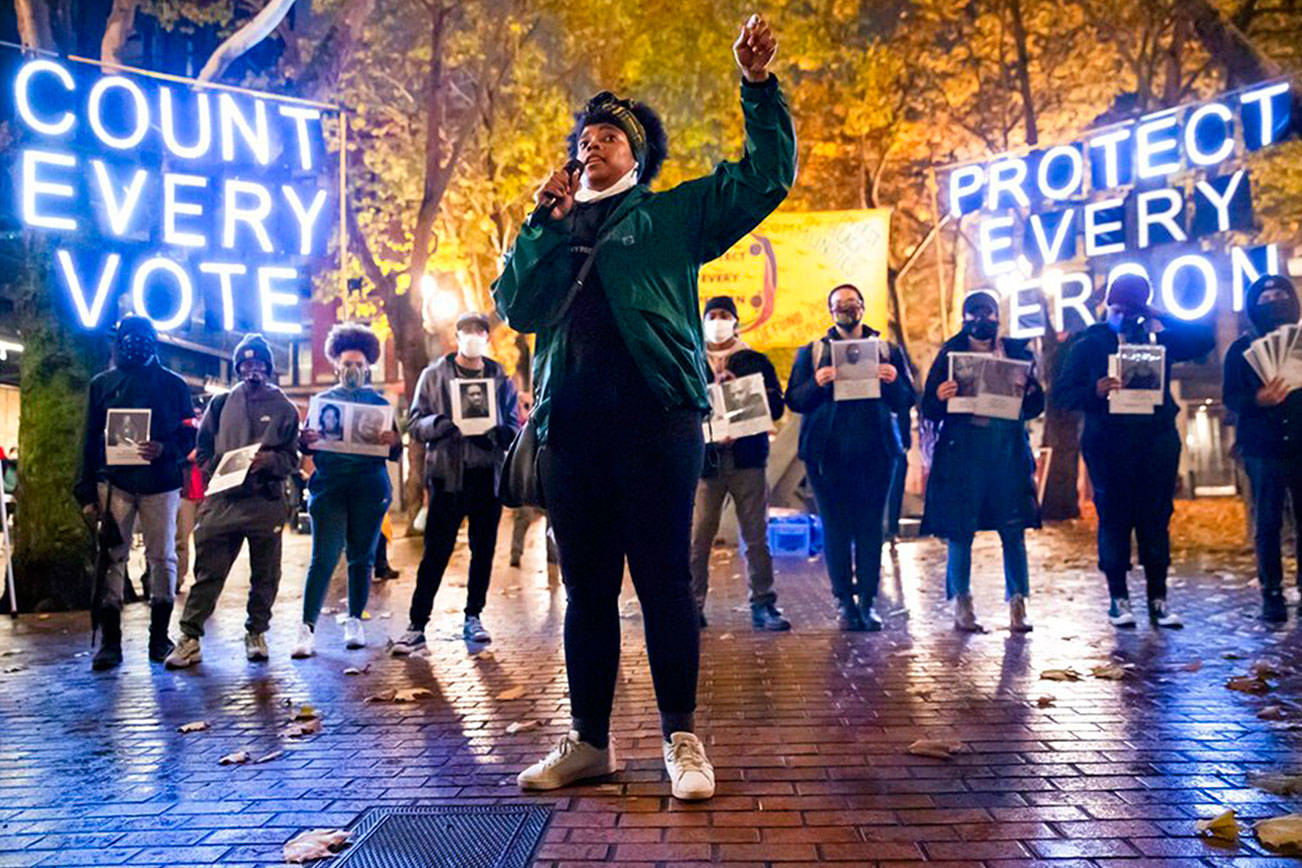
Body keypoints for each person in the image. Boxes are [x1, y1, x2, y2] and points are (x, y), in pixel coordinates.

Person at [494, 14, 793, 802]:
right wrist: (537, 226)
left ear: (637, 155)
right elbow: (517, 309)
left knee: (664, 581)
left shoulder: (669, 218)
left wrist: (757, 88)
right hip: (571, 434)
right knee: (587, 589)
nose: (592, 146)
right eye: (584, 137)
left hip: (658, 428)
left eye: (609, 138)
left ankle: (681, 739)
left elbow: (765, 178)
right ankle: (589, 742)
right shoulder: (551, 225)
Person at [1054, 273, 1215, 629]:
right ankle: (1118, 598)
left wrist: (1159, 316)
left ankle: (1158, 599)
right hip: (1109, 443)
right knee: (1114, 519)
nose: (1127, 315)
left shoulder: (1159, 338)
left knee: (1156, 519)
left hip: (1155, 441)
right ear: (1108, 305)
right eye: (1121, 307)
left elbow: (1204, 340)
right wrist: (1094, 391)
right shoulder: (1089, 343)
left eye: (1133, 308)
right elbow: (1063, 394)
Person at [165, 334, 300, 668]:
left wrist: (268, 462)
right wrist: (216, 474)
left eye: (259, 364)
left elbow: (292, 458)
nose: (253, 370)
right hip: (223, 502)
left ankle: (256, 632)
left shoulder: (284, 408)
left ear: (268, 368)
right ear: (238, 367)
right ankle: (190, 637)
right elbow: (204, 450)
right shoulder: (220, 404)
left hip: (265, 502)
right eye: (247, 364)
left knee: (266, 574)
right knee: (208, 573)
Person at [787, 284, 915, 631]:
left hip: (876, 455)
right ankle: (844, 601)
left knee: (871, 528)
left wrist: (891, 380)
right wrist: (816, 382)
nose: (847, 310)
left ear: (863, 306)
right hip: (827, 458)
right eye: (839, 305)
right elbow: (795, 400)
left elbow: (907, 398)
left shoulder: (887, 350)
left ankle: (868, 601)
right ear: (830, 311)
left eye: (852, 303)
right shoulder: (812, 352)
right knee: (836, 528)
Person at [390, 312, 520, 655]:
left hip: (486, 476)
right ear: (457, 335)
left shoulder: (499, 378)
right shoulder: (434, 376)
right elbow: (414, 423)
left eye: (480, 331)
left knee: (484, 551)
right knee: (436, 551)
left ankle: (473, 616)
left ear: (487, 338)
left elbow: (512, 424)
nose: (474, 336)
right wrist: (441, 425)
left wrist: (501, 433)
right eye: (467, 331)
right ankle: (417, 624)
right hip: (447, 476)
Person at [74, 315, 194, 670]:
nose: (136, 343)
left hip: (160, 482)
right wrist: (85, 493)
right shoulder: (102, 385)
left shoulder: (175, 385)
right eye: (129, 337)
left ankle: (159, 636)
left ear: (154, 340)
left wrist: (165, 450)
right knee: (112, 558)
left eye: (143, 337)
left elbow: (189, 434)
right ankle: (111, 641)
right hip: (112, 483)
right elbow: (88, 438)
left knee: (162, 556)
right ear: (119, 341)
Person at [920, 291, 1042, 632]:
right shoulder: (949, 353)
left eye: (988, 314)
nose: (981, 321)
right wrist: (940, 396)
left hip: (1006, 450)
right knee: (961, 530)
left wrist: (1029, 389)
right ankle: (962, 602)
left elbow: (1036, 404)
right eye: (974, 315)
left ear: (998, 318)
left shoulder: (1017, 352)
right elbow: (929, 406)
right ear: (964, 319)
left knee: (1013, 528)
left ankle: (1018, 603)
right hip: (963, 452)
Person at [292, 323, 402, 658]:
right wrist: (304, 441)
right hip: (329, 489)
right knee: (323, 558)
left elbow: (395, 451)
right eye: (347, 363)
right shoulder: (322, 402)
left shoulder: (379, 404)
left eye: (358, 364)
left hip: (369, 488)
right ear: (336, 364)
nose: (352, 369)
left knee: (362, 557)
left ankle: (355, 620)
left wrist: (393, 441)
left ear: (367, 366)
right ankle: (306, 627)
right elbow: (307, 448)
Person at [690, 295, 789, 631]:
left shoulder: (755, 360)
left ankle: (764, 604)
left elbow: (777, 407)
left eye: (724, 315)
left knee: (756, 536)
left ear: (735, 320)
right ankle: (692, 605)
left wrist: (745, 393)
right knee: (698, 537)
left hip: (748, 460)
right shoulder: (691, 360)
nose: (717, 321)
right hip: (706, 462)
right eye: (712, 315)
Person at [1224, 275, 1302, 623]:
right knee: (1268, 521)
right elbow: (1231, 397)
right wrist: (1259, 399)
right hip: (1262, 446)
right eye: (1265, 296)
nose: (1272, 300)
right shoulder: (1240, 349)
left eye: (1279, 294)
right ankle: (1272, 591)